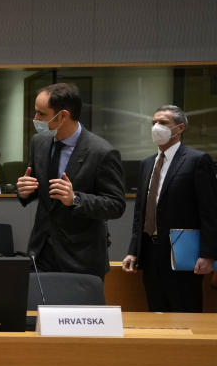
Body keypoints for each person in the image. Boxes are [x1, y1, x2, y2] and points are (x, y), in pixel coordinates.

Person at [16, 83, 125, 278]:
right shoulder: (39, 142)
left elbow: (116, 205)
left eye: (41, 114)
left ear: (63, 116)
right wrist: (25, 191)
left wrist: (75, 199)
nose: (35, 119)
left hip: (81, 257)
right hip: (41, 252)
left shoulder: (102, 152)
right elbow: (38, 189)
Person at [122, 105, 217, 312]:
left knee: (185, 313)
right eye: (153, 123)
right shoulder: (147, 163)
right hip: (150, 251)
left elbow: (209, 211)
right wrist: (133, 250)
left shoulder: (196, 160)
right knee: (156, 313)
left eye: (163, 123)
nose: (156, 127)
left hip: (182, 253)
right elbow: (140, 213)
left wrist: (208, 254)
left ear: (180, 128)